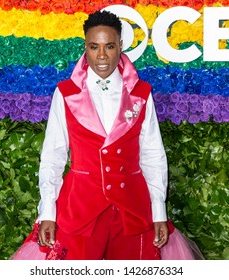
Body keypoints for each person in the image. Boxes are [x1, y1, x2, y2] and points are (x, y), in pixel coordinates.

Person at [12, 10, 203, 260]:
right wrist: (48, 211)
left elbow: (153, 155)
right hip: (80, 209)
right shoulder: (66, 93)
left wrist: (158, 212)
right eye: (94, 47)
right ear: (85, 47)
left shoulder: (141, 93)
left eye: (109, 46)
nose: (101, 55)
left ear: (121, 46)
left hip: (132, 212)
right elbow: (53, 156)